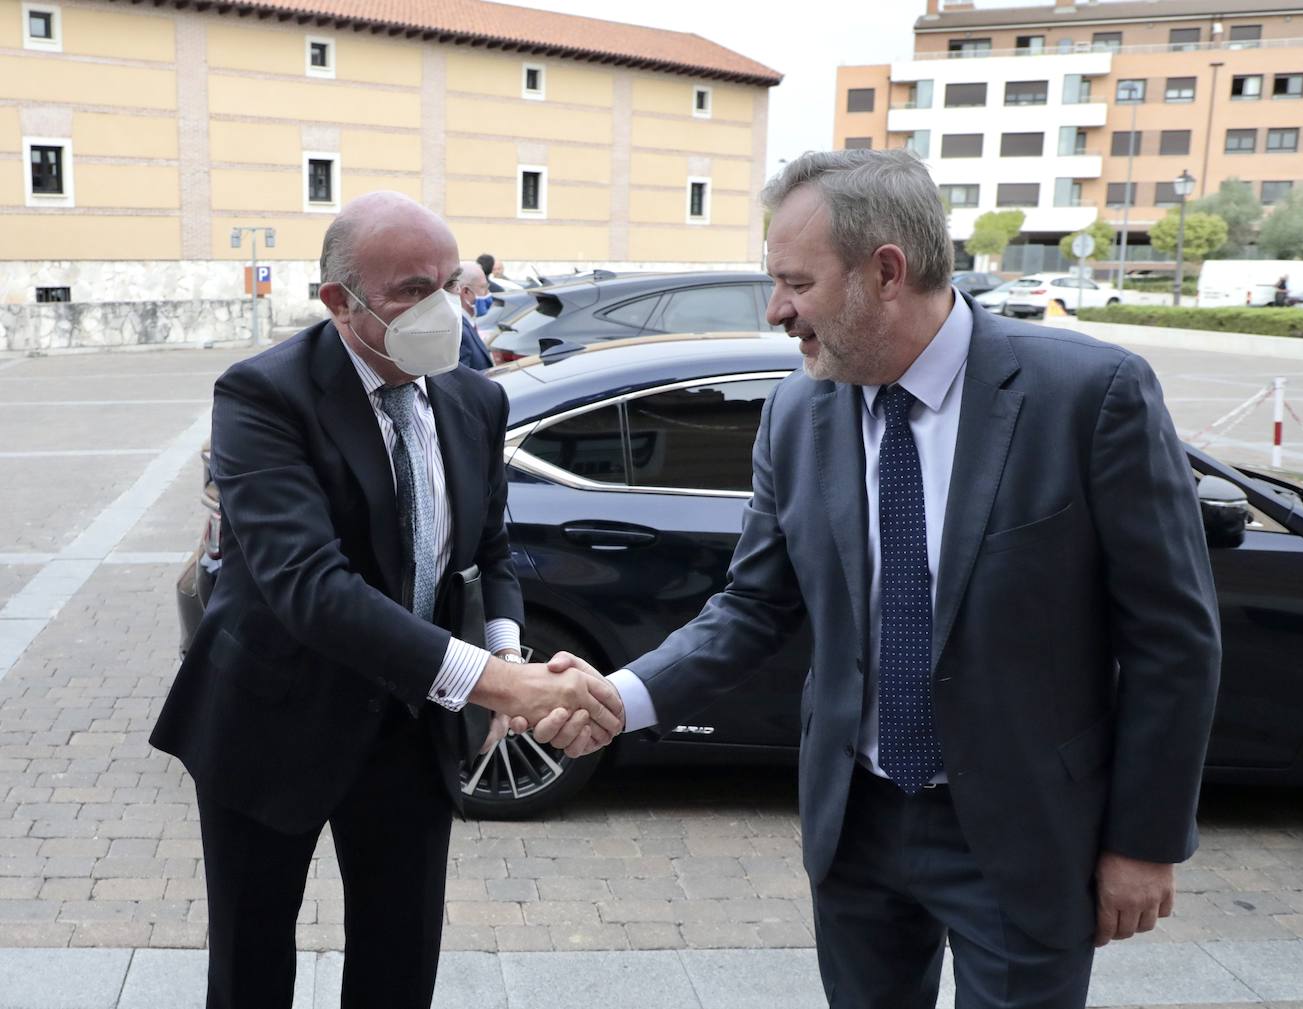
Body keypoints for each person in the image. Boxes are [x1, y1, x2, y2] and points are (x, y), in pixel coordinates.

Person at [540, 150, 1221, 1009]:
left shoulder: (1087, 395)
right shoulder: (798, 410)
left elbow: (1173, 639)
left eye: (795, 282)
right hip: (855, 822)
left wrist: (1144, 841)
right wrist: (622, 696)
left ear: (886, 272)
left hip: (1023, 830)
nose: (777, 310)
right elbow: (753, 604)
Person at [151, 191, 622, 1009]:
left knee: (401, 961)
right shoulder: (264, 397)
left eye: (452, 281)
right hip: (271, 718)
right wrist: (496, 683)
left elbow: (489, 550)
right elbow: (310, 586)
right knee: (251, 963)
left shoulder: (475, 398)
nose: (443, 307)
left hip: (410, 727)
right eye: (412, 289)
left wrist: (505, 648)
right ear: (340, 302)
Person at [456, 261, 494, 370]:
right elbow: (461, 382)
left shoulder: (467, 323)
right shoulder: (460, 331)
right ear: (466, 292)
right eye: (483, 288)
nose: (488, 293)